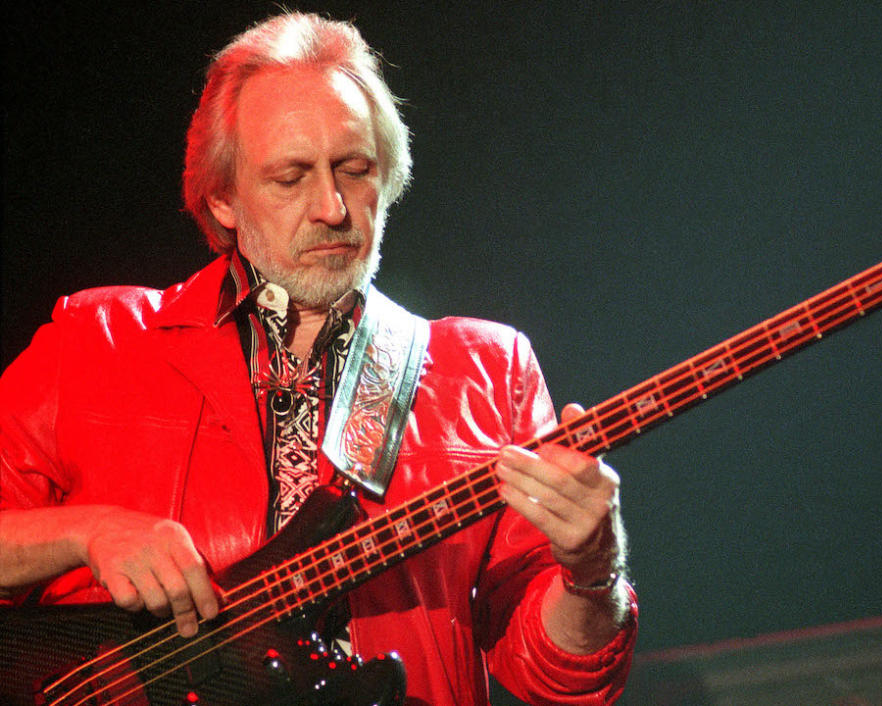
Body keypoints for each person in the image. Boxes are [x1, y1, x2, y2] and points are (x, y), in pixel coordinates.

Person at [0, 11, 636, 705]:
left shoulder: (486, 369)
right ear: (224, 198)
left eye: (354, 170)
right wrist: (88, 530)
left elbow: (556, 678)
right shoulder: (93, 340)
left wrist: (593, 574)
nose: (332, 208)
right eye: (290, 177)